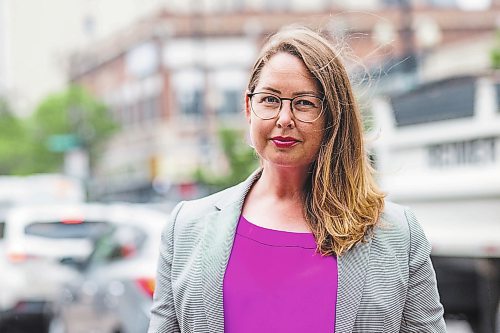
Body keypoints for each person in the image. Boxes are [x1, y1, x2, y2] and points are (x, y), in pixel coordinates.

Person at [148, 25, 446, 333]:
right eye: (270, 100)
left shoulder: (396, 233)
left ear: (332, 116)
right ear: (248, 107)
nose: (284, 118)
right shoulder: (185, 228)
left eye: (304, 102)